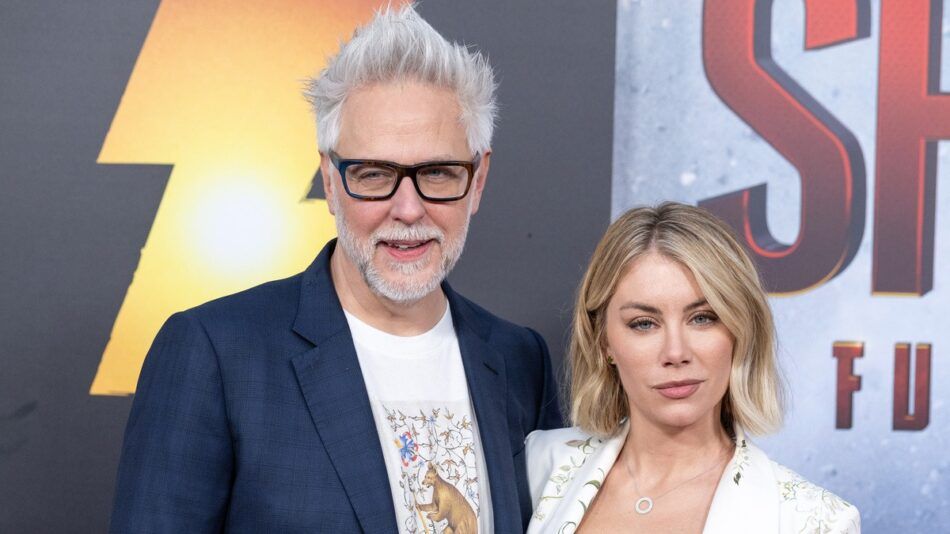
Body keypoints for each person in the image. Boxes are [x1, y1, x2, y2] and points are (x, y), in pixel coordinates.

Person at [109, 6, 561, 533]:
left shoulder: (519, 360)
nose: (408, 209)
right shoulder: (216, 353)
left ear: (478, 180)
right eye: (373, 175)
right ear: (329, 179)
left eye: (438, 173)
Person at [525, 203, 859, 533]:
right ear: (603, 341)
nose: (676, 352)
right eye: (644, 323)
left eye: (703, 318)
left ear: (741, 331)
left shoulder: (815, 521)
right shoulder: (537, 466)